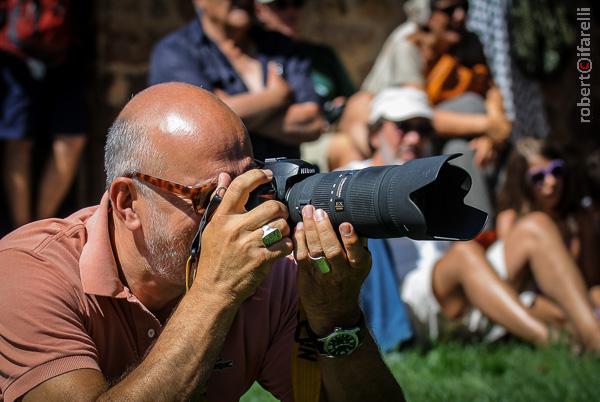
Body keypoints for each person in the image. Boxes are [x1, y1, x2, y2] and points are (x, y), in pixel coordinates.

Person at [0, 82, 404, 402]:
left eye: (252, 185)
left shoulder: (267, 280)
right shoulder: (26, 274)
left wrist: (335, 316)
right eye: (209, 196)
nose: (239, 212)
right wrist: (214, 293)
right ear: (128, 203)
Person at [355, 87, 600, 351]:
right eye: (403, 127)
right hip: (408, 300)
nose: (414, 138)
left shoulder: (433, 176)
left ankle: (591, 335)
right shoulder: (353, 178)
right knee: (464, 254)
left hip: (463, 280)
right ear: (374, 134)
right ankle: (551, 343)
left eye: (424, 129)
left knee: (535, 226)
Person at [331, 0, 512, 223]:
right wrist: (487, 126)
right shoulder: (408, 42)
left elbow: (490, 89)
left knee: (461, 147)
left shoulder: (469, 41)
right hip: (397, 133)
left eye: (465, 7)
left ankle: (485, 232)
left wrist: (490, 134)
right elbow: (416, 113)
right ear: (426, 14)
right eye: (449, 11)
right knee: (470, 105)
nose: (460, 16)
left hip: (442, 133)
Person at [148, 0, 326, 162]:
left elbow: (312, 122)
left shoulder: (281, 47)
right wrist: (276, 97)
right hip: (220, 186)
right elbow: (201, 125)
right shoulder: (176, 52)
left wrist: (230, 108)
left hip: (285, 179)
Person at [0, 1, 91, 228]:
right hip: (15, 50)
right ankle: (22, 231)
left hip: (66, 46)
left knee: (72, 138)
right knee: (18, 140)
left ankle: (40, 228)